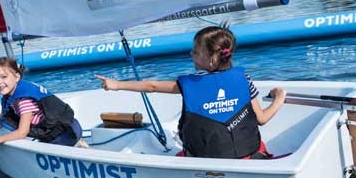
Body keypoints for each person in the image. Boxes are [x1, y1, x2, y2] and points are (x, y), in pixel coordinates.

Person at [95, 26, 285, 159]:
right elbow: (261, 118)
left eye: (195, 51)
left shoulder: (189, 84)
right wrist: (279, 98)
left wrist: (117, 84)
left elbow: (151, 86)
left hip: (204, 159)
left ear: (211, 58)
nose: (190, 54)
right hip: (248, 154)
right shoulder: (244, 79)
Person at [0, 57, 86, 155]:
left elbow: (22, 132)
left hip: (64, 136)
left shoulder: (23, 100)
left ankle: (77, 145)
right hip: (65, 129)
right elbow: (0, 121)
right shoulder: (11, 96)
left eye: (4, 77)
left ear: (17, 76)